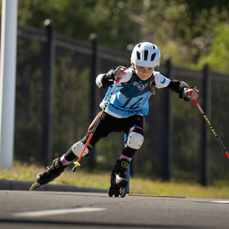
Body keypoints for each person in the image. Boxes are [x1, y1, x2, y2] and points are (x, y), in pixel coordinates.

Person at [30, 42, 199, 197]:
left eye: (149, 69)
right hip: (111, 114)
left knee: (137, 138)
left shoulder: (156, 78)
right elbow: (99, 80)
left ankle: (120, 170)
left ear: (155, 66)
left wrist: (187, 91)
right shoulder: (126, 75)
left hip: (134, 115)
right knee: (83, 148)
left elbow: (175, 85)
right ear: (133, 63)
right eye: (140, 67)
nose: (144, 72)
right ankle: (57, 167)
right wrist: (111, 75)